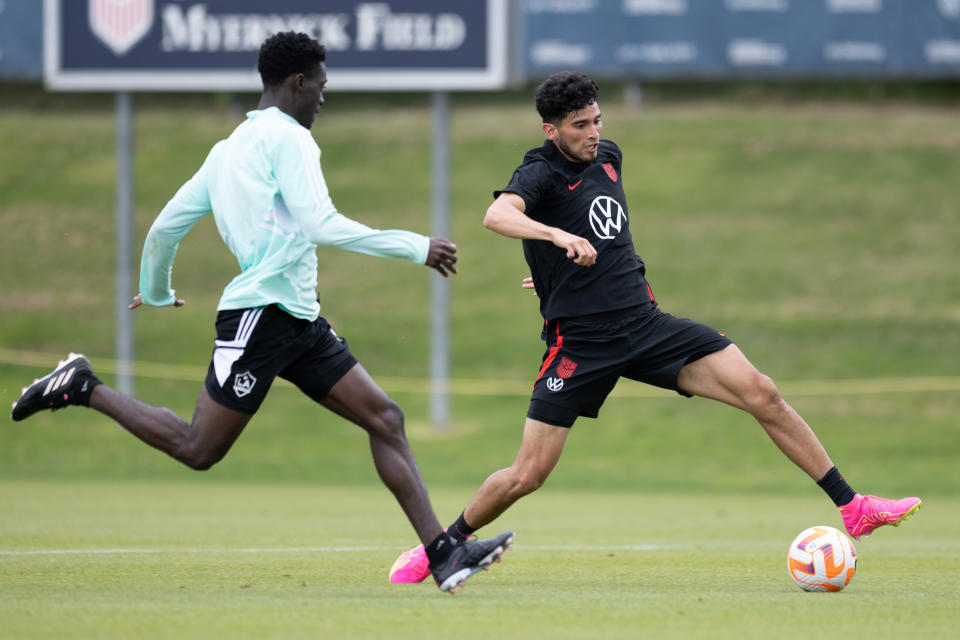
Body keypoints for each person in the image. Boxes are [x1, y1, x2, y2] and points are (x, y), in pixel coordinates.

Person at [10, 31, 512, 595]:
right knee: (200, 448)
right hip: (261, 315)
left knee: (385, 418)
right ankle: (82, 386)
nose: (324, 96)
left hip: (298, 318)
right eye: (321, 85)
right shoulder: (290, 139)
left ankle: (442, 553)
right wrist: (416, 246)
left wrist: (155, 291)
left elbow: (165, 228)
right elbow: (321, 224)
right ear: (298, 83)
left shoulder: (227, 150)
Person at [387, 70, 920, 584]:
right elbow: (498, 216)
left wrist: (555, 275)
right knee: (528, 474)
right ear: (551, 130)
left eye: (596, 119)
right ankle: (443, 545)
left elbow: (604, 232)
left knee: (763, 392)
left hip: (646, 325)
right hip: (582, 344)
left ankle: (853, 507)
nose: (593, 133)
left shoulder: (611, 157)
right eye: (578, 125)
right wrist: (555, 244)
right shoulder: (539, 170)